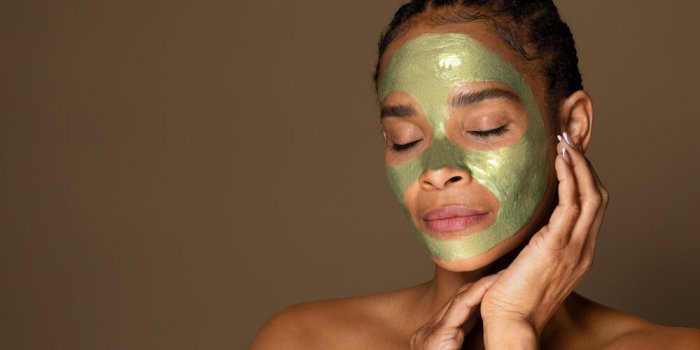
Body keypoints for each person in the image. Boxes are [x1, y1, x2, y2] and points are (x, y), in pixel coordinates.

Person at [249, 1, 700, 348]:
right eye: (404, 139)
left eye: (486, 128)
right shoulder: (303, 340)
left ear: (572, 127)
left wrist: (512, 330)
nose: (438, 170)